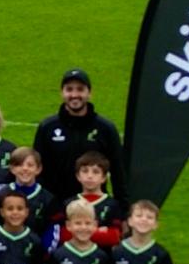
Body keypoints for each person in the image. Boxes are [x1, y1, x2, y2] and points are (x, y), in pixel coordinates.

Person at [33, 68, 125, 202]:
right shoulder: (47, 127)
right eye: (69, 89)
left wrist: (123, 210)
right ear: (62, 93)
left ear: (89, 93)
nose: (74, 95)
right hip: (55, 207)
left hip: (93, 207)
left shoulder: (106, 128)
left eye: (80, 89)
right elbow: (38, 170)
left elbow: (118, 173)